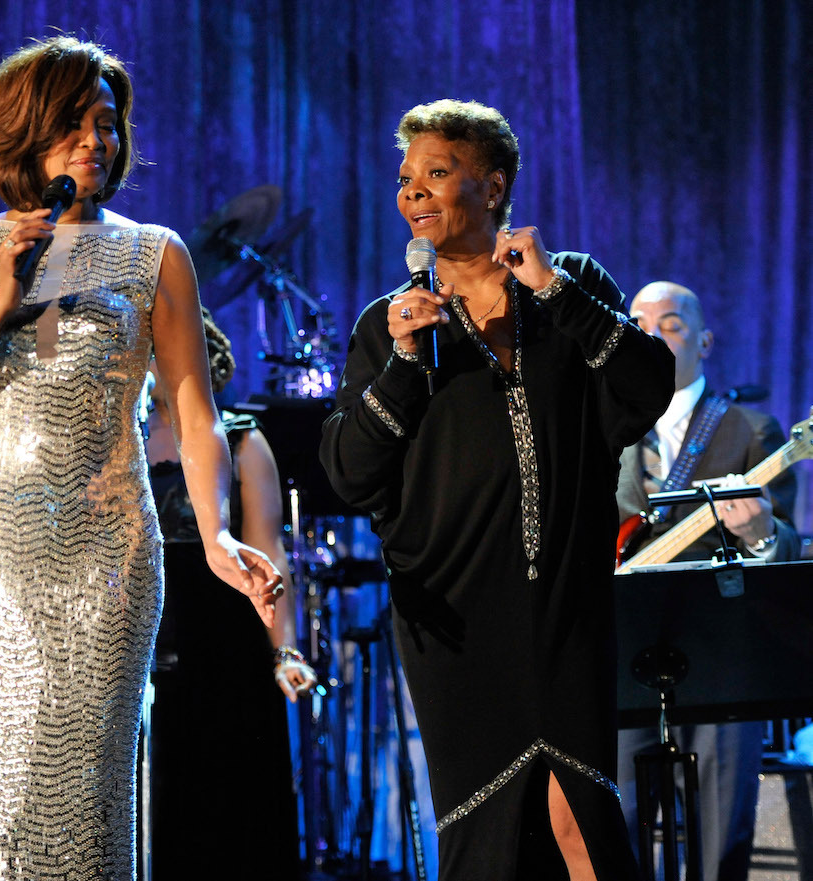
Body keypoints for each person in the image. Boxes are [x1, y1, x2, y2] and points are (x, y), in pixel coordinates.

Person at [0, 37, 283, 881]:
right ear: (28, 130)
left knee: (80, 794)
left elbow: (195, 412)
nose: (96, 141)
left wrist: (216, 535)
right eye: (75, 123)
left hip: (107, 560)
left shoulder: (156, 254)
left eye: (108, 123)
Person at [319, 98, 674, 880]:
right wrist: (406, 366)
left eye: (437, 174)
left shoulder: (569, 287)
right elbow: (347, 470)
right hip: (454, 620)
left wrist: (555, 292)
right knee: (489, 840)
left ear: (494, 187)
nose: (413, 193)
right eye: (406, 179)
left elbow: (647, 387)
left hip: (564, 611)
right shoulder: (390, 324)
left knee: (581, 822)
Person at [615, 281, 801, 881]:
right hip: (625, 653)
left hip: (724, 653)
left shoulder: (750, 430)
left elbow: (789, 548)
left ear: (704, 340)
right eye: (639, 324)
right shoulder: (602, 432)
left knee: (723, 830)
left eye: (670, 324)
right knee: (619, 826)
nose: (653, 336)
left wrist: (759, 535)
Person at [144, 308, 315, 879]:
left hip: (226, 646)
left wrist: (284, 650)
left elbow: (270, 552)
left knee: (233, 806)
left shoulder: (243, 441)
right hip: (145, 643)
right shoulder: (120, 442)